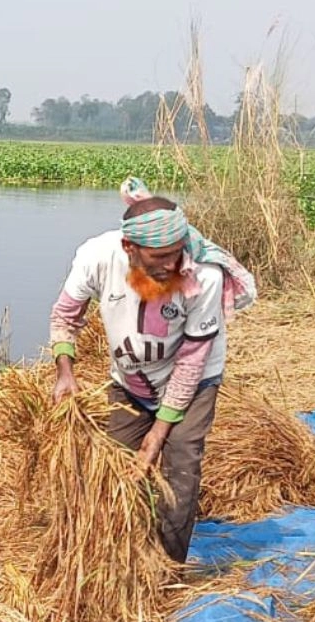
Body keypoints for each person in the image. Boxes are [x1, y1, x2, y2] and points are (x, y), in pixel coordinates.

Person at [47, 180, 256, 564]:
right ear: (130, 248)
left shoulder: (203, 276)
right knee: (114, 465)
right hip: (130, 380)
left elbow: (192, 361)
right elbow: (65, 316)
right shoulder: (97, 256)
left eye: (176, 254)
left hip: (191, 382)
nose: (172, 266)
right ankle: (117, 555)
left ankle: (165, 566)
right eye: (159, 257)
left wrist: (157, 435)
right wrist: (65, 370)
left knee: (179, 466)